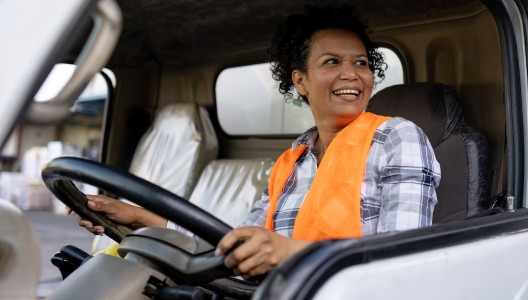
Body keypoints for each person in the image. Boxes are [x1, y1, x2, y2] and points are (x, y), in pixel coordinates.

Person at [74, 5, 441, 280]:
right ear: (300, 81)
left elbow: (402, 255)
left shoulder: (397, 137)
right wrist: (139, 218)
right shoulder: (291, 161)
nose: (352, 74)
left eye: (361, 63)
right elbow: (232, 239)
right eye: (332, 62)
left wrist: (289, 253)